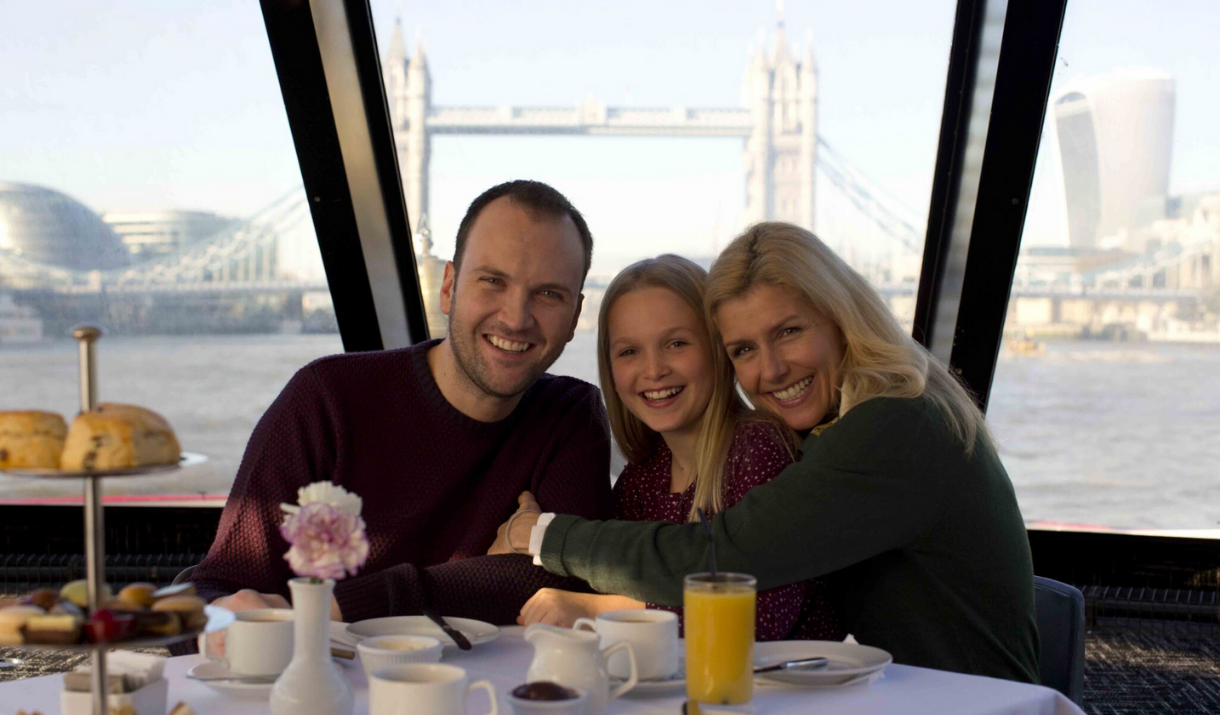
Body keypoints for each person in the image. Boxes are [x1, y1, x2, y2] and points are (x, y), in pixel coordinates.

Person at [493, 222, 1040, 683]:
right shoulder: (844, 424)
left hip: (963, 701)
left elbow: (726, 560)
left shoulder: (892, 426)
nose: (771, 370)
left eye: (790, 331)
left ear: (841, 317)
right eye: (746, 349)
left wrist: (541, 534)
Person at [190, 180, 614, 643]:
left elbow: (563, 585)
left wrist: (339, 606)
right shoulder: (327, 399)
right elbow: (216, 589)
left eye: (549, 294)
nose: (516, 318)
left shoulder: (570, 415)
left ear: (575, 317)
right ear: (448, 288)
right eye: (493, 281)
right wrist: (491, 573)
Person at [514, 255, 842, 642]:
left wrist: (593, 610)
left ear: (719, 349)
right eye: (629, 352)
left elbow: (757, 620)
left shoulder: (760, 450)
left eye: (676, 343)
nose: (653, 370)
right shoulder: (643, 477)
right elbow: (609, 582)